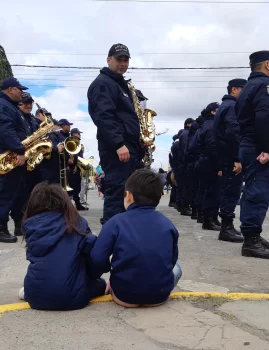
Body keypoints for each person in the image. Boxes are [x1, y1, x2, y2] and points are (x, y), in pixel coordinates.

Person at [89, 169, 182, 308]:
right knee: (178, 268)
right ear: (159, 197)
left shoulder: (115, 222)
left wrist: (110, 269)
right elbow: (172, 259)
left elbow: (97, 259)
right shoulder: (167, 223)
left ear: (128, 196)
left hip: (124, 295)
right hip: (159, 296)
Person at [19, 182, 108, 311]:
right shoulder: (77, 223)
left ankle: (32, 290)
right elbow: (94, 257)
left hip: (35, 297)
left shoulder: (30, 226)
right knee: (100, 284)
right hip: (73, 298)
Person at [235, 51, 269, 259]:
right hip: (259, 147)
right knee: (258, 192)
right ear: (267, 64)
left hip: (251, 145)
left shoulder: (249, 87)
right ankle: (250, 241)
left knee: (254, 190)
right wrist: (267, 148)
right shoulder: (265, 86)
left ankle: (253, 234)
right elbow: (265, 116)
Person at [88, 43, 142, 225]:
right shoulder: (103, 84)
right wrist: (119, 144)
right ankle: (111, 235)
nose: (123, 63)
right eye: (119, 59)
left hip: (128, 147)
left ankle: (122, 232)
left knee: (127, 191)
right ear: (108, 60)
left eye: (126, 60)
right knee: (117, 191)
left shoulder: (120, 84)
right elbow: (103, 117)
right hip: (117, 148)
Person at [0, 77, 29, 243]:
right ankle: (1, 230)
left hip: (15, 153)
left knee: (18, 192)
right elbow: (6, 131)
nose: (22, 92)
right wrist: (19, 150)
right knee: (7, 193)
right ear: (11, 89)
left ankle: (17, 225)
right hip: (10, 155)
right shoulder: (1, 106)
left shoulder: (9, 107)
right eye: (20, 89)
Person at [214, 78, 247, 242]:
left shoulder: (224, 106)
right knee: (232, 191)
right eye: (243, 89)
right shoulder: (232, 106)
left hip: (225, 155)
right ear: (234, 90)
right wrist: (237, 158)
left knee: (229, 189)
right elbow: (233, 133)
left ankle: (227, 226)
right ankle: (226, 228)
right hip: (230, 156)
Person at [197, 102, 221, 231]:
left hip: (209, 161)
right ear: (213, 112)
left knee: (214, 192)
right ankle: (208, 220)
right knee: (211, 192)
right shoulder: (211, 125)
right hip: (211, 162)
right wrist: (219, 166)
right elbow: (212, 146)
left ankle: (213, 218)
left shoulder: (209, 124)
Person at [67, 128, 88, 211]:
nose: (80, 135)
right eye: (79, 134)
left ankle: (78, 204)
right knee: (71, 188)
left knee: (77, 187)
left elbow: (80, 157)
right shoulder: (70, 142)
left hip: (77, 168)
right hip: (71, 168)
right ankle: (68, 205)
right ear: (74, 134)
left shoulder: (79, 144)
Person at [177, 118, 195, 215]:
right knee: (188, 186)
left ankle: (183, 206)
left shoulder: (183, 134)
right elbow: (185, 149)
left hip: (183, 163)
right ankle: (185, 207)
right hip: (186, 163)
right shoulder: (186, 134)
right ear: (188, 124)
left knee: (185, 186)